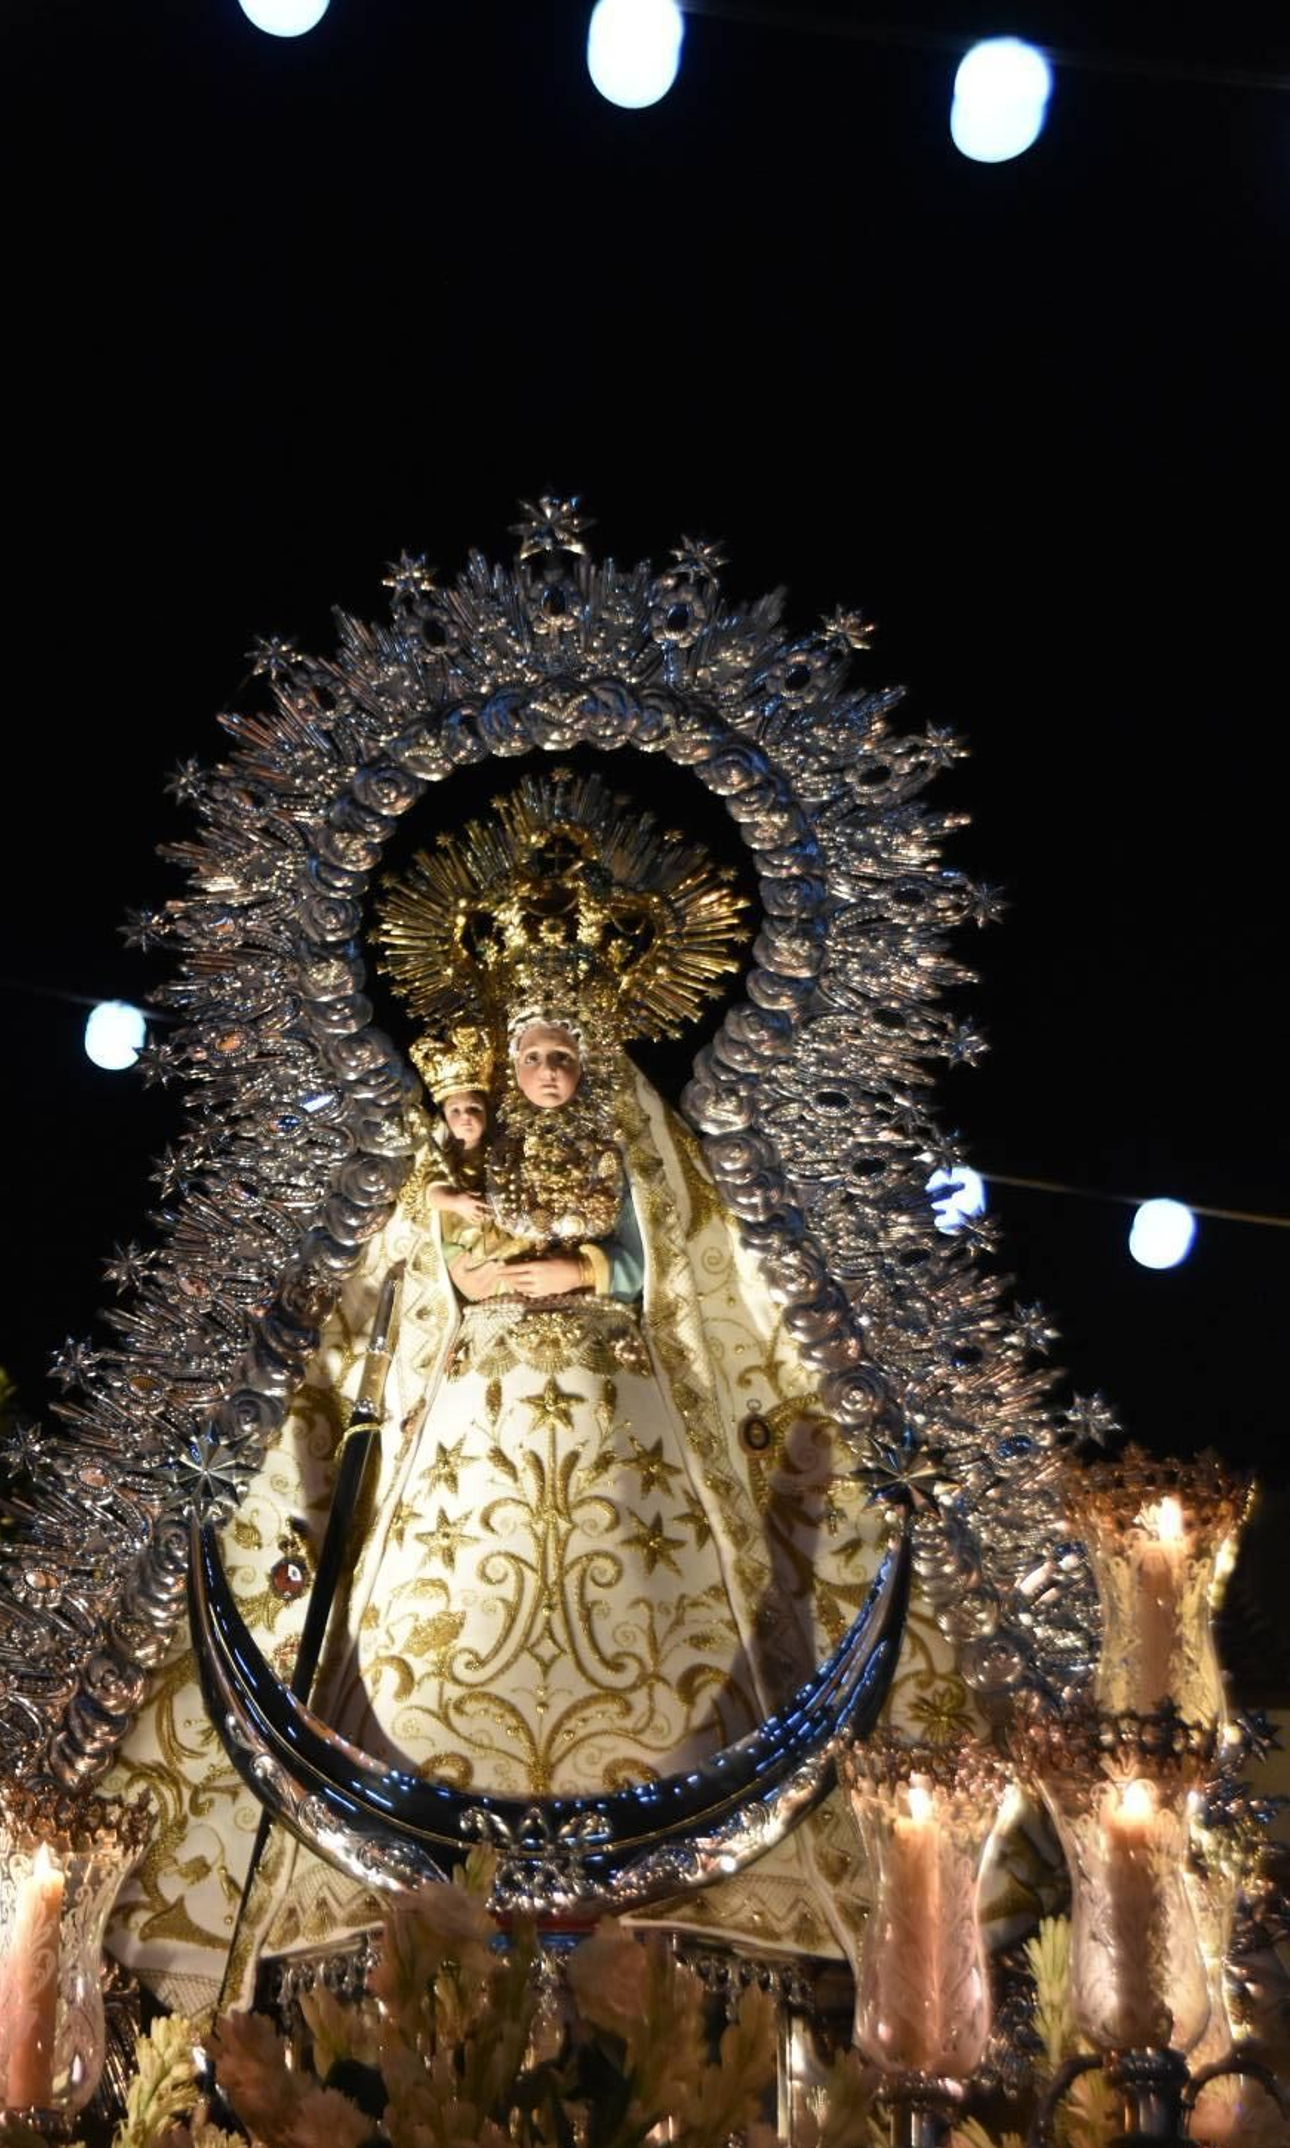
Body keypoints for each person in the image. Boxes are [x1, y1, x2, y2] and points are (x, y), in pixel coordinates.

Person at [106, 774, 929, 2010]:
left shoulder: (635, 1133)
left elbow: (684, 1263)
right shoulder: (451, 1139)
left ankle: (658, 1851)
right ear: (505, 1046)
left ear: (596, 1046)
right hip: (470, 1409)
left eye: (565, 1051)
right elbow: (396, 1280)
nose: (547, 1069)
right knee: (419, 1616)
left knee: (669, 1623)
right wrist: (447, 1241)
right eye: (531, 1050)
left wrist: (587, 1265)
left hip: (618, 1410)